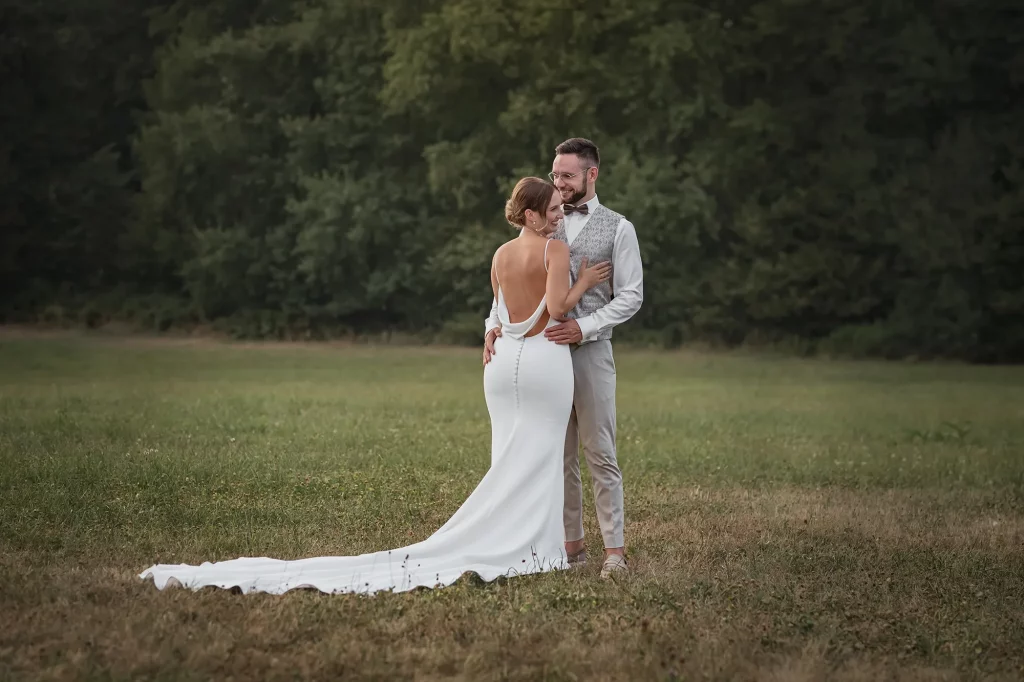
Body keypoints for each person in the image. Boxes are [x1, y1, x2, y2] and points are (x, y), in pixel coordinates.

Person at [137, 177, 611, 595]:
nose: (558, 217)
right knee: (541, 454)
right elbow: (557, 307)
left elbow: (499, 311)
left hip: (502, 365)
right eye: (551, 211)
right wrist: (584, 279)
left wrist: (490, 332)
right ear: (530, 213)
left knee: (508, 453)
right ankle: (534, 549)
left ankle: (510, 537)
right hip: (542, 364)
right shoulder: (554, 249)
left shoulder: (501, 254)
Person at [484, 138, 643, 578]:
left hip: (590, 353)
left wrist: (585, 326)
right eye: (555, 175)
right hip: (543, 358)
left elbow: (631, 296)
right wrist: (490, 327)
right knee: (559, 455)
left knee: (600, 451)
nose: (559, 183)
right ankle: (571, 547)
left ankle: (615, 551)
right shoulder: (544, 224)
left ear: (592, 174)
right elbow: (510, 290)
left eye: (568, 176)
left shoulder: (619, 228)